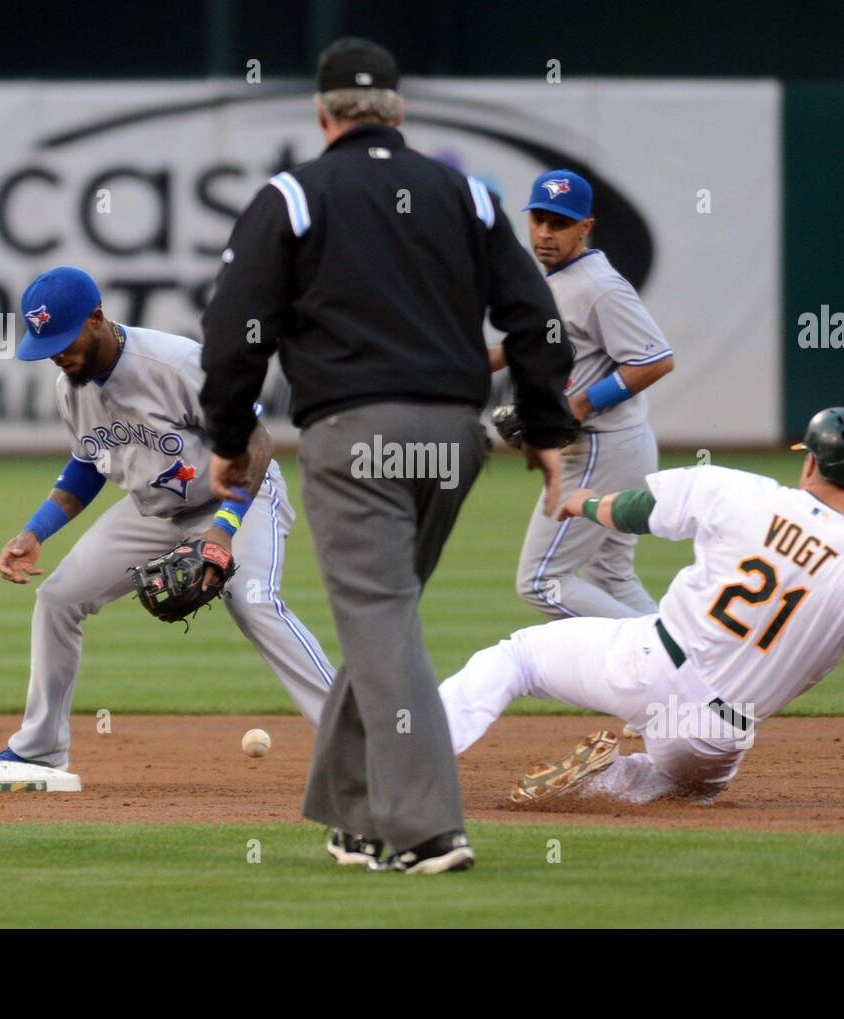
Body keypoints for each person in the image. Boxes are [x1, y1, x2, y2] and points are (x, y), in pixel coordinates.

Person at [199, 38, 576, 873]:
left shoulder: (294, 196)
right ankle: (355, 813)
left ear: (324, 114)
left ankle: (426, 828)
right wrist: (546, 429)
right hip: (454, 435)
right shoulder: (467, 195)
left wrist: (228, 438)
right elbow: (534, 317)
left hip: (354, 435)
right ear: (398, 112)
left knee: (380, 621)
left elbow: (233, 333)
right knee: (387, 619)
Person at [439, 408, 844, 811]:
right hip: (715, 742)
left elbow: (634, 510)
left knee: (516, 658)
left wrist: (579, 501)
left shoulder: (743, 492)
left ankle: (409, 752)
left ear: (812, 461)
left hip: (648, 667)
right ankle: (607, 785)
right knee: (680, 785)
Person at [0, 266, 334, 769]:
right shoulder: (73, 387)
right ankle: (39, 748)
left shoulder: (174, 365)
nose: (59, 356)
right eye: (47, 347)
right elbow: (89, 462)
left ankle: (357, 742)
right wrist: (35, 530)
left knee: (252, 600)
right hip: (153, 508)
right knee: (58, 599)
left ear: (96, 319)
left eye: (65, 341)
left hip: (238, 497)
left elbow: (255, 440)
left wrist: (225, 529)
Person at [492, 170, 674, 622]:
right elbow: (528, 346)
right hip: (615, 446)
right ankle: (683, 667)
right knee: (610, 578)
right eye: (539, 220)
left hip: (601, 447)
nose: (546, 233)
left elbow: (654, 360)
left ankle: (652, 661)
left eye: (560, 223)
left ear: (585, 227)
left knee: (541, 582)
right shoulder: (558, 280)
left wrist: (580, 404)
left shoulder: (599, 285)